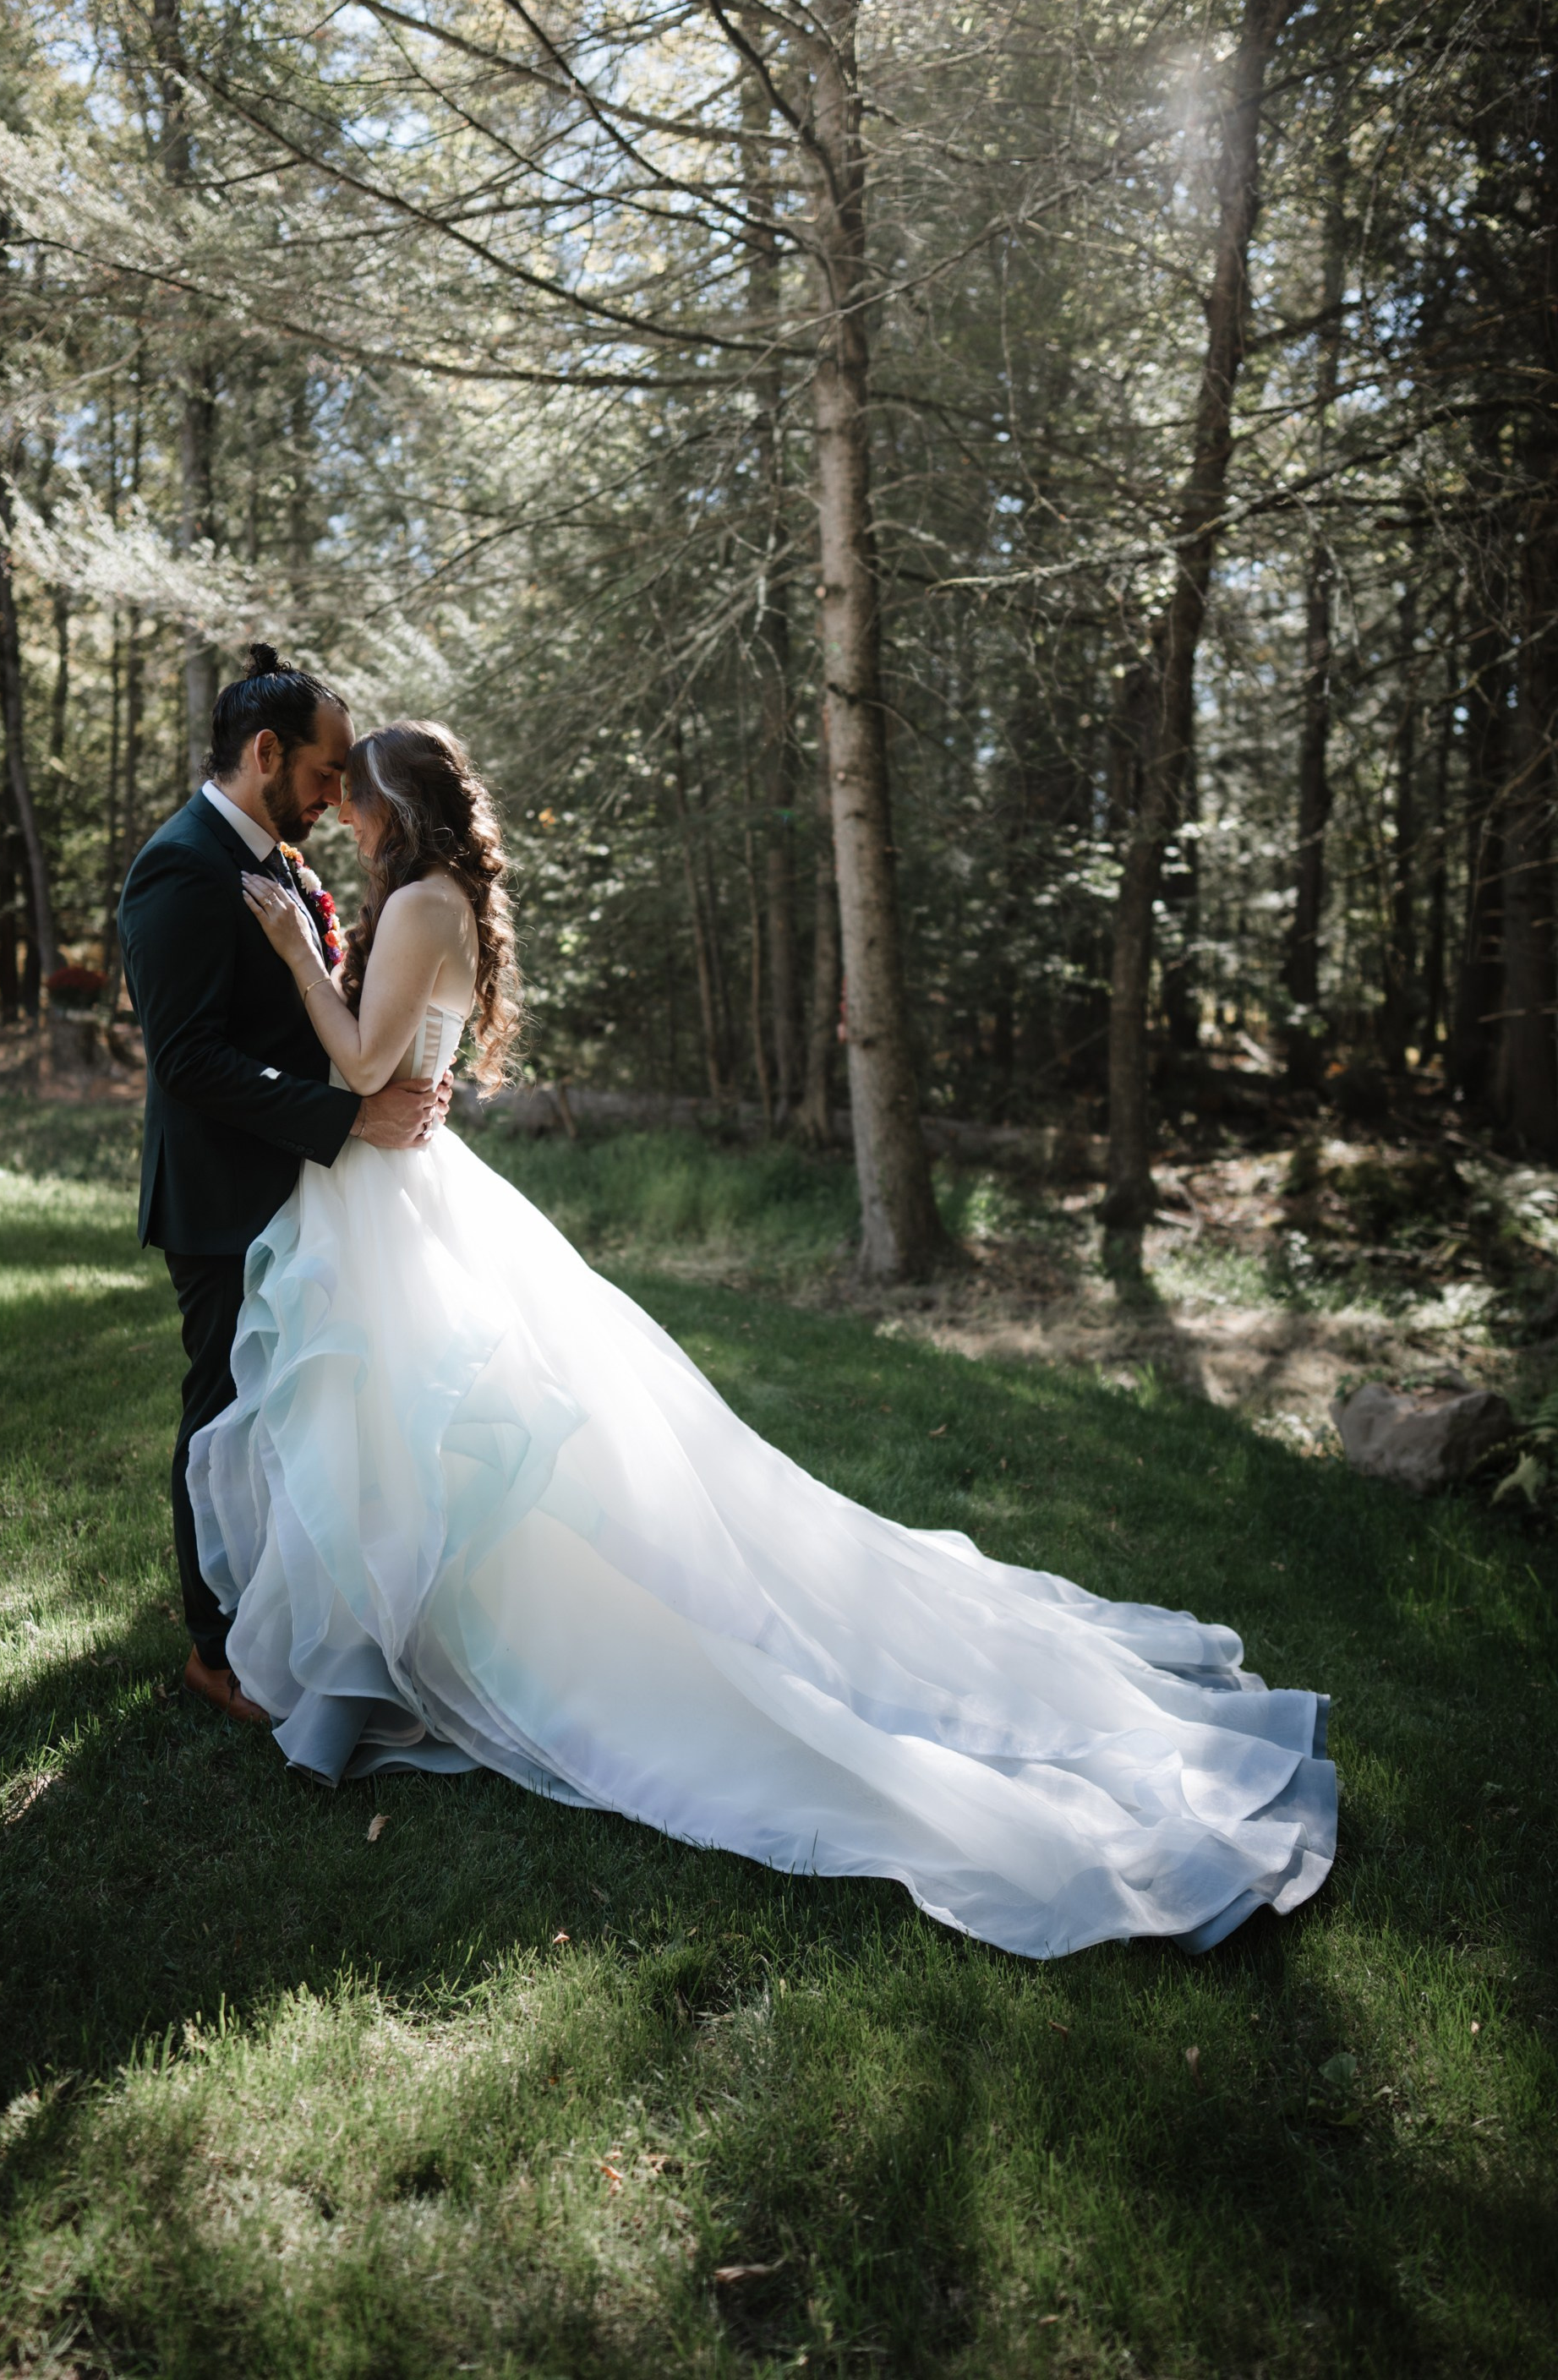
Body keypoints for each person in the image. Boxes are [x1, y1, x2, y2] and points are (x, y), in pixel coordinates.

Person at [194, 717, 1336, 1959]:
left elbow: (364, 1061)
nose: (340, 816)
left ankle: (431, 1662)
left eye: (350, 799)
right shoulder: (432, 900)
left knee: (428, 1440)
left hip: (394, 1193)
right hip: (400, 1187)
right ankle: (386, 1657)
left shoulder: (417, 904)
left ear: (392, 806)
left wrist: (296, 949)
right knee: (404, 1440)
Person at [118, 648, 450, 1726]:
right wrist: (349, 1114)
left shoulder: (278, 860)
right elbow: (189, 1058)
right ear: (266, 753)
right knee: (222, 1417)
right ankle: (213, 1654)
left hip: (306, 1186)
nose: (338, 791)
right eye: (326, 767)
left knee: (293, 1417)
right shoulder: (182, 866)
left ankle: (291, 1617)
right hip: (221, 1197)